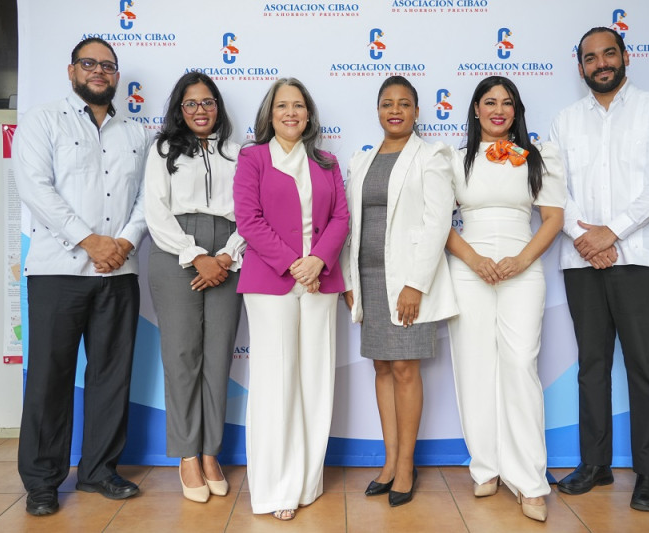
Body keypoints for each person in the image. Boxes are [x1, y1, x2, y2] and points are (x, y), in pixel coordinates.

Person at [550, 27, 649, 512]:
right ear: (581, 66)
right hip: (581, 259)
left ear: (625, 57)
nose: (601, 63)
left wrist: (615, 231)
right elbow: (551, 186)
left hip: (640, 258)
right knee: (591, 367)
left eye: (609, 53)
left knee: (644, 368)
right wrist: (585, 239)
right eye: (590, 57)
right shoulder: (566, 121)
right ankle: (596, 464)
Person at [13, 37, 151, 516]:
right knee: (50, 379)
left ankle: (98, 471)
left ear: (116, 76)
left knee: (111, 377)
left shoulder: (136, 133)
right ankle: (43, 482)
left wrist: (125, 243)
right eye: (89, 64)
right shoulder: (41, 119)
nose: (99, 72)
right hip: (58, 270)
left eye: (107, 66)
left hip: (121, 273)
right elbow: (35, 187)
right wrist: (90, 241)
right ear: (71, 70)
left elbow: (147, 201)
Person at [445, 76, 565, 522]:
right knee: (474, 367)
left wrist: (520, 260)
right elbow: (439, 220)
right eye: (489, 102)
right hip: (468, 268)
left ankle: (530, 480)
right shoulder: (453, 160)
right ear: (475, 110)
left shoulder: (539, 157)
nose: (499, 109)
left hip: (523, 268)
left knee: (519, 365)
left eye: (507, 102)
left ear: (517, 111)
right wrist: (476, 260)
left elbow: (552, 218)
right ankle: (486, 468)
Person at [233, 78, 349, 521]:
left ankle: (306, 481)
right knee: (276, 382)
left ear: (308, 113)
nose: (291, 113)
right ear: (270, 113)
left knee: (315, 381)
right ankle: (275, 488)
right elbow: (249, 218)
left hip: (320, 282)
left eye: (298, 105)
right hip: (271, 281)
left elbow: (341, 216)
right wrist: (294, 262)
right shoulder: (252, 157)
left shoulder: (326, 160)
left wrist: (318, 260)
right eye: (282, 105)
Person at [341, 75, 457, 507]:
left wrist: (415, 284)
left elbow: (437, 223)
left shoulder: (432, 157)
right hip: (368, 281)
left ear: (416, 111)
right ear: (377, 110)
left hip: (408, 283)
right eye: (387, 103)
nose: (395, 110)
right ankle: (388, 462)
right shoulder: (361, 159)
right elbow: (350, 226)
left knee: (406, 369)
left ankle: (406, 465)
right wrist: (349, 283)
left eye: (404, 104)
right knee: (382, 370)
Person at [144, 72, 243, 503]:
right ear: (179, 110)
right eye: (191, 104)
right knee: (182, 356)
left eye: (207, 102)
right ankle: (186, 455)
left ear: (217, 107)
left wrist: (226, 255)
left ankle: (209, 452)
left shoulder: (239, 153)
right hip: (175, 253)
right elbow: (156, 212)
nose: (200, 110)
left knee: (217, 357)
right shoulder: (163, 150)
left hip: (229, 255)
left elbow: (250, 214)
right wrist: (195, 254)